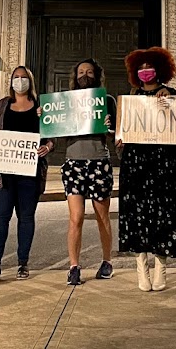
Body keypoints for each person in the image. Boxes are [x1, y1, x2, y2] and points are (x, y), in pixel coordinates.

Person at [118, 47, 176, 291]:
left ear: (160, 69)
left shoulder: (171, 94)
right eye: (141, 68)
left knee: (164, 211)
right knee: (137, 212)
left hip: (163, 162)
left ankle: (161, 264)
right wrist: (120, 137)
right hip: (135, 161)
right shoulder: (131, 97)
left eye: (150, 67)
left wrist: (169, 103)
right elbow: (123, 128)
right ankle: (141, 265)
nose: (145, 71)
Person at [0, 66, 54, 282]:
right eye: (16, 77)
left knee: (26, 218)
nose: (20, 81)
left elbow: (53, 135)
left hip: (30, 173)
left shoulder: (41, 106)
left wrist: (48, 146)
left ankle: (23, 263)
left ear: (30, 81)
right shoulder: (3, 105)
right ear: (11, 81)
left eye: (24, 78)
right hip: (3, 174)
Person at [59, 58, 117, 286]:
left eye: (89, 72)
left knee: (102, 216)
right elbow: (55, 127)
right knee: (76, 218)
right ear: (75, 76)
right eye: (81, 71)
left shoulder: (107, 100)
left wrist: (109, 125)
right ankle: (74, 266)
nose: (85, 75)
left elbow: (115, 135)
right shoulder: (65, 101)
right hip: (73, 163)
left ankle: (107, 261)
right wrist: (44, 117)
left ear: (97, 75)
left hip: (98, 162)